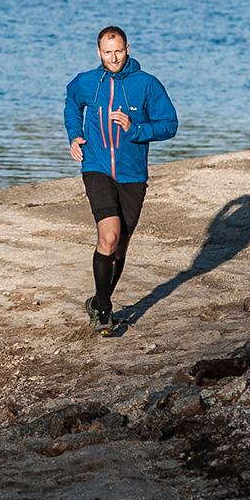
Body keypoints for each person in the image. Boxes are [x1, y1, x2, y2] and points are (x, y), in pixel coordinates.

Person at [64, 25, 177, 333]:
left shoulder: (147, 85)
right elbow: (72, 103)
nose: (113, 58)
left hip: (132, 175)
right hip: (96, 167)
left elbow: (169, 124)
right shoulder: (87, 82)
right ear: (99, 52)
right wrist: (74, 135)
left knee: (121, 246)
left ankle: (99, 302)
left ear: (128, 49)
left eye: (118, 51)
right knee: (109, 236)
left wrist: (135, 129)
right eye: (107, 52)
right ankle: (104, 312)